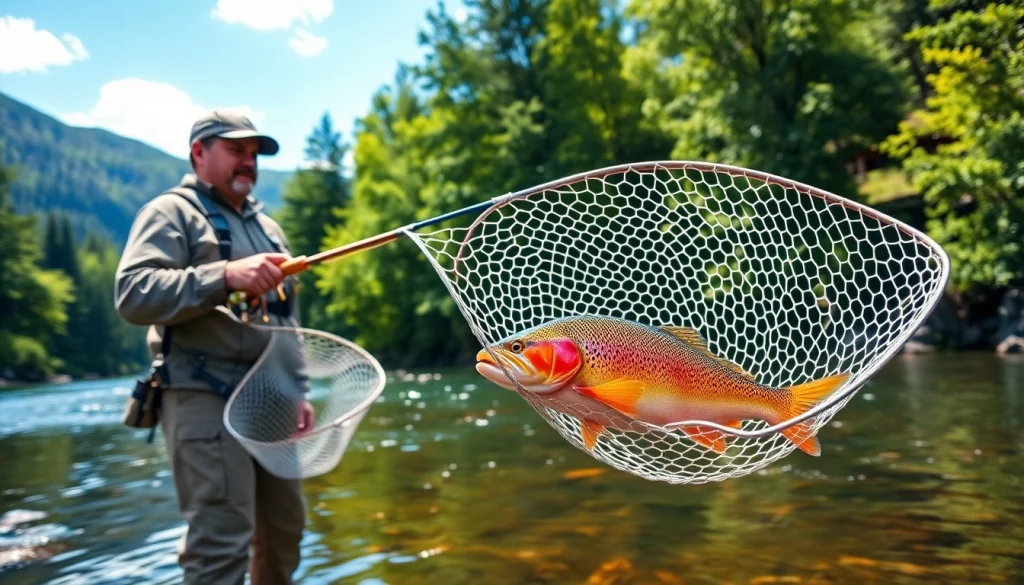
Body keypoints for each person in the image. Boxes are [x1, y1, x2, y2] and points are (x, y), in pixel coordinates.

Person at [114, 110, 313, 585]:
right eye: (236, 151)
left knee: (285, 534)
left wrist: (299, 389)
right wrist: (224, 276)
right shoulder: (170, 212)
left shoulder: (269, 228)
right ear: (199, 153)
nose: (248, 162)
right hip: (204, 395)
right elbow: (133, 292)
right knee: (221, 543)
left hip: (274, 401)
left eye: (253, 154)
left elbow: (289, 319)